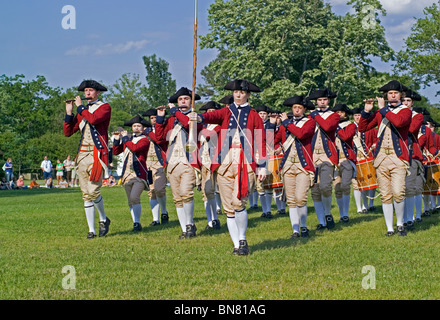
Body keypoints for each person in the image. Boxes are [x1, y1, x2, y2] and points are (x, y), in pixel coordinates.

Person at [191, 79, 267, 255]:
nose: (238, 95)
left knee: (238, 202)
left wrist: (262, 166)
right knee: (228, 207)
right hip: (224, 162)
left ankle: (243, 239)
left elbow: (261, 140)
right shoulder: (226, 112)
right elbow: (212, 116)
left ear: (247, 95)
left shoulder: (254, 116)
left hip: (245, 162)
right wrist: (199, 117)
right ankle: (236, 245)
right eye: (235, 92)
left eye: (241, 92)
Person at [359, 80, 412, 236]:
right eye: (390, 93)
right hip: (381, 157)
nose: (393, 95)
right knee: (386, 194)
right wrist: (366, 112)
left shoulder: (405, 111)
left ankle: (400, 224)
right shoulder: (381, 112)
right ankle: (390, 228)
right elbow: (362, 128)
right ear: (386, 95)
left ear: (400, 95)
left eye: (395, 93)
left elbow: (399, 122)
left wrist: (382, 109)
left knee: (398, 192)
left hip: (398, 157)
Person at [64, 79, 112, 239]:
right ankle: (91, 230)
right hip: (82, 156)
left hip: (97, 155)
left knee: (93, 190)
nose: (87, 93)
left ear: (98, 92)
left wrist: (80, 107)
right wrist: (69, 113)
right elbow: (68, 132)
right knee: (85, 194)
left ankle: (104, 219)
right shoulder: (82, 111)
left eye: (91, 90)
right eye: (85, 91)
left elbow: (93, 119)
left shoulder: (104, 107)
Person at [155, 87, 204, 239]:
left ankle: (190, 224)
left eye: (186, 99)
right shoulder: (172, 119)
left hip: (189, 160)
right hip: (172, 162)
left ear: (191, 101)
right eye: (180, 99)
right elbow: (159, 138)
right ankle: (185, 229)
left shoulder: (195, 116)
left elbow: (189, 125)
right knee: (177, 197)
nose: (183, 101)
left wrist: (175, 111)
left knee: (186, 193)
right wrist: (160, 119)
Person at [275, 95, 316, 238]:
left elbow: (301, 134)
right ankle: (295, 230)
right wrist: (278, 146)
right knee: (291, 200)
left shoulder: (310, 122)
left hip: (303, 164)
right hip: (287, 165)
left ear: (304, 109)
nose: (296, 110)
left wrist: (286, 122)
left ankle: (304, 226)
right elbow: (277, 139)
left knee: (300, 198)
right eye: (294, 108)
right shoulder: (286, 124)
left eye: (299, 108)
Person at [307, 88, 340, 230]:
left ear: (328, 101)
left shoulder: (334, 115)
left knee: (325, 186)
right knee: (314, 189)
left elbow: (327, 126)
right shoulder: (310, 117)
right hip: (312, 155)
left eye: (324, 100)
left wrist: (315, 115)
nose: (322, 102)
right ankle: (321, 221)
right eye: (319, 100)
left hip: (327, 155)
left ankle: (327, 213)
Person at [113, 115, 151, 231]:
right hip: (127, 174)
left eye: (139, 126)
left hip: (139, 174)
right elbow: (115, 151)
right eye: (134, 126)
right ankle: (135, 223)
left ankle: (137, 222)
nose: (136, 128)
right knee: (130, 201)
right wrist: (116, 139)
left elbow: (134, 148)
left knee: (135, 197)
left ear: (143, 128)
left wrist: (125, 138)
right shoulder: (128, 139)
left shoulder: (145, 139)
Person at [142, 108, 169, 226]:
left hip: (159, 163)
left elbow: (159, 140)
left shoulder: (162, 130)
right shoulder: (145, 131)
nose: (153, 120)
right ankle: (155, 219)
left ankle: (164, 212)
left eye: (155, 117)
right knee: (151, 191)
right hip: (148, 164)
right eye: (152, 118)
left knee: (159, 189)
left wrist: (148, 132)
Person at [401, 89, 424, 230]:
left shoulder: (417, 116)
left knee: (409, 188)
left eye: (408, 101)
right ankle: (401, 219)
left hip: (411, 154)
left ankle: (409, 218)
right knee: (398, 189)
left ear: (412, 102)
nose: (405, 103)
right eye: (403, 100)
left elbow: (411, 129)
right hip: (396, 155)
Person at [198, 101, 222, 230]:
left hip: (217, 162)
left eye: (213, 111)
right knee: (206, 192)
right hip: (204, 162)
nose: (210, 113)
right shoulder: (202, 127)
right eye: (208, 111)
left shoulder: (219, 126)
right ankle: (211, 221)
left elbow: (209, 135)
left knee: (218, 191)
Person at [332, 104, 357, 223]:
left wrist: (336, 127)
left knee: (345, 186)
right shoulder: (330, 126)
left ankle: (346, 213)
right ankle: (342, 214)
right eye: (336, 112)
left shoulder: (350, 125)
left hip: (346, 160)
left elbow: (346, 137)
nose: (339, 114)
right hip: (334, 160)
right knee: (337, 188)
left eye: (341, 112)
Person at [351, 107, 378, 214]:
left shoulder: (371, 129)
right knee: (356, 183)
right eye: (356, 115)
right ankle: (359, 207)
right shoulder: (350, 127)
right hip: (355, 158)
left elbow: (376, 141)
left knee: (370, 181)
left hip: (368, 158)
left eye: (360, 115)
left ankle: (368, 205)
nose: (358, 117)